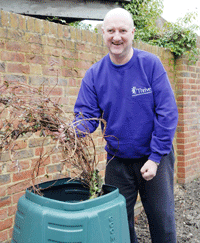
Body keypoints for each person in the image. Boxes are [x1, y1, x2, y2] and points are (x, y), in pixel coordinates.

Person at [73, 7, 178, 243]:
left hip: (154, 157)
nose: (116, 36)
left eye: (122, 30)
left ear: (132, 32)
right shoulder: (94, 74)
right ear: (103, 33)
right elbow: (86, 116)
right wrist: (72, 131)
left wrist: (155, 156)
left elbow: (167, 112)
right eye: (110, 30)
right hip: (117, 161)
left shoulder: (150, 65)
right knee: (117, 223)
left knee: (162, 221)